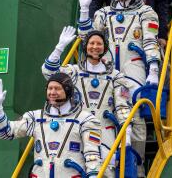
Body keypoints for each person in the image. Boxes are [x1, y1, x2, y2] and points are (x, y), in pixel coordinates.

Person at [78, 0, 161, 177]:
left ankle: (136, 166)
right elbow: (87, 39)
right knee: (104, 114)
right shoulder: (104, 13)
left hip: (134, 68)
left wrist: (153, 69)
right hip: (107, 69)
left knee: (135, 114)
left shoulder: (146, 12)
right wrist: (84, 10)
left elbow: (150, 42)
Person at [41, 26, 133, 177]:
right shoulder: (74, 72)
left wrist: (126, 135)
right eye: (91, 43)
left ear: (104, 47)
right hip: (75, 129)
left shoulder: (116, 76)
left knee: (105, 170)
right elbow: (49, 72)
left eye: (99, 44)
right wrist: (60, 47)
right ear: (85, 46)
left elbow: (123, 107)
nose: (95, 47)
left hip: (105, 131)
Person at [0, 74, 101, 178]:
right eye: (49, 88)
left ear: (68, 91)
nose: (52, 92)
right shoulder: (35, 118)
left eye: (57, 88)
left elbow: (92, 156)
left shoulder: (85, 119)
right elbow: (6, 133)